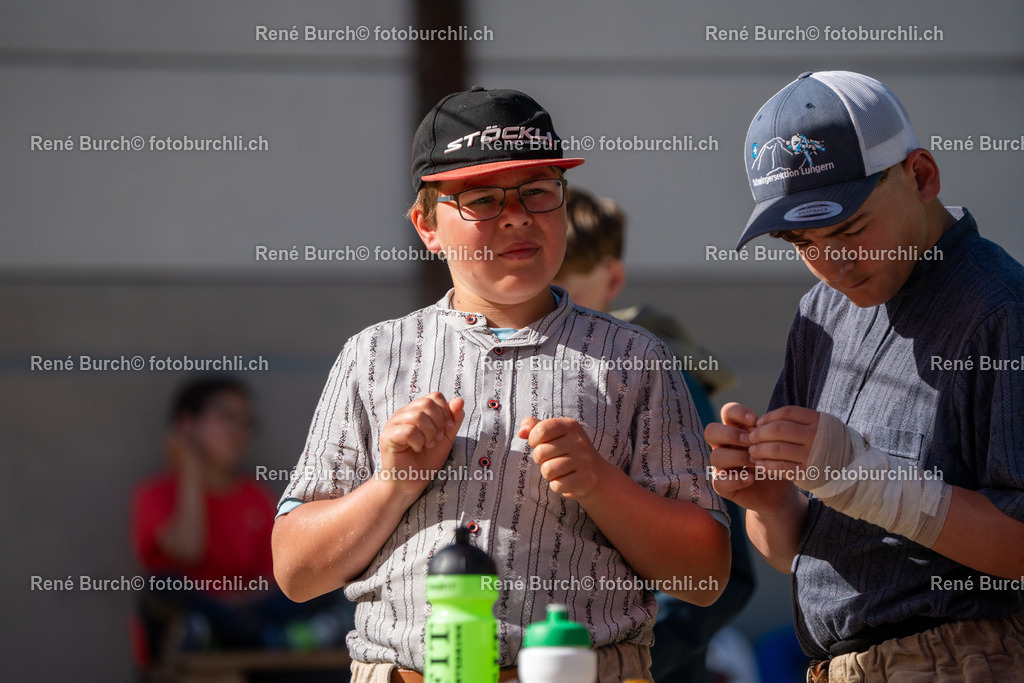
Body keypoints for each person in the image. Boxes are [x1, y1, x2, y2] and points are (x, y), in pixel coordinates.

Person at [271, 86, 731, 683]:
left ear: (564, 204)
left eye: (538, 191)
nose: (516, 215)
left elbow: (705, 576)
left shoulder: (636, 357)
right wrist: (394, 482)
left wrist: (599, 483)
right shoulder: (373, 357)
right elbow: (295, 571)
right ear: (426, 226)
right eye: (482, 200)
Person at [706, 70, 1024, 682]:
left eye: (851, 229)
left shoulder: (1001, 311)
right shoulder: (820, 315)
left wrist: (856, 475)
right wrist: (769, 498)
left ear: (922, 176)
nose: (832, 263)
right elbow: (792, 551)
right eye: (801, 242)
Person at [553, 187, 754, 683]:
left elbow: (722, 577)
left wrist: (620, 665)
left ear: (612, 279)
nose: (545, 307)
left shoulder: (661, 376)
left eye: (560, 288)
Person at [132, 377, 350, 668]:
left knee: (329, 585)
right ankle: (264, 638)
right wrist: (192, 472)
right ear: (186, 424)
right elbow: (187, 549)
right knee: (162, 589)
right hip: (197, 612)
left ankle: (223, 636)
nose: (240, 431)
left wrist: (235, 608)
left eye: (248, 422)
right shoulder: (154, 495)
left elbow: (278, 578)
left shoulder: (256, 498)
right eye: (228, 417)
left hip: (248, 613)